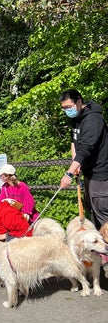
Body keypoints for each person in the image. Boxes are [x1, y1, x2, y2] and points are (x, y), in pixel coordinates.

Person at [59, 89, 108, 229]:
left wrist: (68, 173)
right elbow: (74, 142)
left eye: (68, 107)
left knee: (103, 214)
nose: (67, 111)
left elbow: (86, 148)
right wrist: (76, 165)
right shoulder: (76, 119)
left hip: (101, 174)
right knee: (92, 210)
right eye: (64, 108)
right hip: (88, 173)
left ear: (79, 102)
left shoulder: (93, 120)